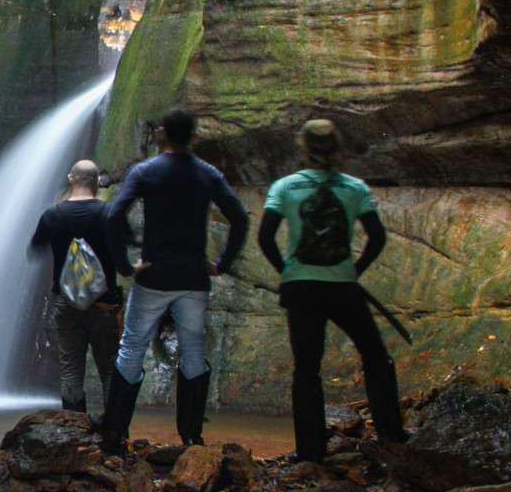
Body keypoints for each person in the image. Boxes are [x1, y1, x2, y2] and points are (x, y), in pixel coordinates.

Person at [99, 106, 249, 453]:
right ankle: (192, 438)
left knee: (132, 349)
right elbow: (239, 218)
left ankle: (114, 433)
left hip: (154, 275)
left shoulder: (146, 172)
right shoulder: (207, 174)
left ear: (162, 133)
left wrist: (124, 266)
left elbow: (113, 216)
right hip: (194, 277)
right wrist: (222, 263)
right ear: (194, 137)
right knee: (193, 353)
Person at [257, 118, 407, 462]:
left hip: (301, 288)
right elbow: (377, 236)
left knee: (307, 368)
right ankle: (391, 433)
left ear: (303, 149)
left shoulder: (284, 187)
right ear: (338, 149)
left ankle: (311, 452)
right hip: (342, 286)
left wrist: (287, 272)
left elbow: (265, 237)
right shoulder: (355, 188)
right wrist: (354, 270)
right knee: (375, 356)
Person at [29, 160, 125, 413]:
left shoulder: (53, 215)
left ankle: (75, 431)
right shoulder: (109, 214)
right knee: (110, 369)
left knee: (70, 368)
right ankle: (113, 433)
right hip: (104, 304)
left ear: (71, 179)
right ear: (96, 182)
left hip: (67, 303)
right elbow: (124, 254)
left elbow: (35, 248)